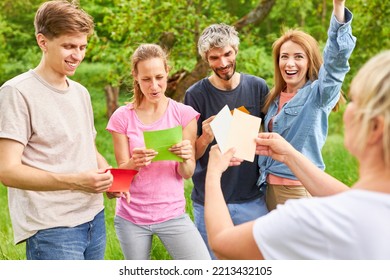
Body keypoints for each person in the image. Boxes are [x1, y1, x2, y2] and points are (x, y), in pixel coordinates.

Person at [205, 50, 390, 260]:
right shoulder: (372, 209)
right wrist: (289, 155)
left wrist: (213, 173)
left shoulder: (310, 219)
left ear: (375, 127)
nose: (346, 104)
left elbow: (222, 243)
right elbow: (349, 198)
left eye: (355, 101)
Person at [0, 0, 113, 260]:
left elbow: (88, 147)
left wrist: (108, 177)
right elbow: (7, 171)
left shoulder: (80, 92)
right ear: (43, 41)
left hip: (94, 218)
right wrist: (76, 181)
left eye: (83, 46)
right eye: (68, 46)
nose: (78, 55)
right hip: (53, 229)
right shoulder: (16, 92)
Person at [106, 43, 210, 260]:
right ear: (135, 76)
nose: (154, 86)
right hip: (130, 217)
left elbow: (187, 172)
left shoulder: (184, 114)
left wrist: (184, 157)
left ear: (167, 73)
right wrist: (134, 162)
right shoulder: (122, 117)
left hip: (172, 214)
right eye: (146, 79)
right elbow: (120, 176)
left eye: (159, 77)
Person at [258, 0, 356, 211]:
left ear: (310, 62)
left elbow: (335, 64)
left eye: (298, 57)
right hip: (267, 188)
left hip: (296, 192)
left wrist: (338, 9)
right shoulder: (273, 98)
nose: (290, 63)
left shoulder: (317, 95)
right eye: (284, 57)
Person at [184, 23, 269, 259]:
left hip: (252, 198)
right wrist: (205, 137)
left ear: (236, 50)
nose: (222, 63)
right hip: (209, 201)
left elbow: (273, 134)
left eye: (227, 54)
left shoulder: (258, 87)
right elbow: (191, 156)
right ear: (206, 59)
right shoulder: (195, 94)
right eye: (214, 58)